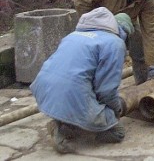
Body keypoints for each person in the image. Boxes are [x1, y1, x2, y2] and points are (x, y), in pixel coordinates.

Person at [30, 8, 135, 153]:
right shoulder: (114, 43)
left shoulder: (74, 34)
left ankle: (64, 123)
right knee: (117, 131)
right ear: (124, 31)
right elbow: (106, 90)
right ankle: (66, 130)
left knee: (82, 99)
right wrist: (115, 108)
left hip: (42, 89)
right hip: (71, 92)